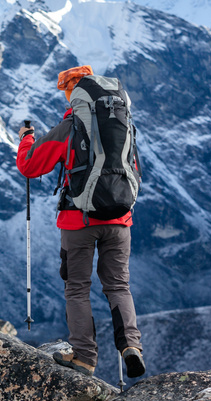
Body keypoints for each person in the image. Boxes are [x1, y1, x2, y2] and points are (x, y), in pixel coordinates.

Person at [16, 65, 145, 379]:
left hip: (78, 222)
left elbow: (29, 167)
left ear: (73, 94)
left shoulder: (70, 128)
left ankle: (85, 357)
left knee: (77, 289)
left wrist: (26, 139)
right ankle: (131, 346)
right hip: (120, 219)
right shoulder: (124, 125)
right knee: (118, 287)